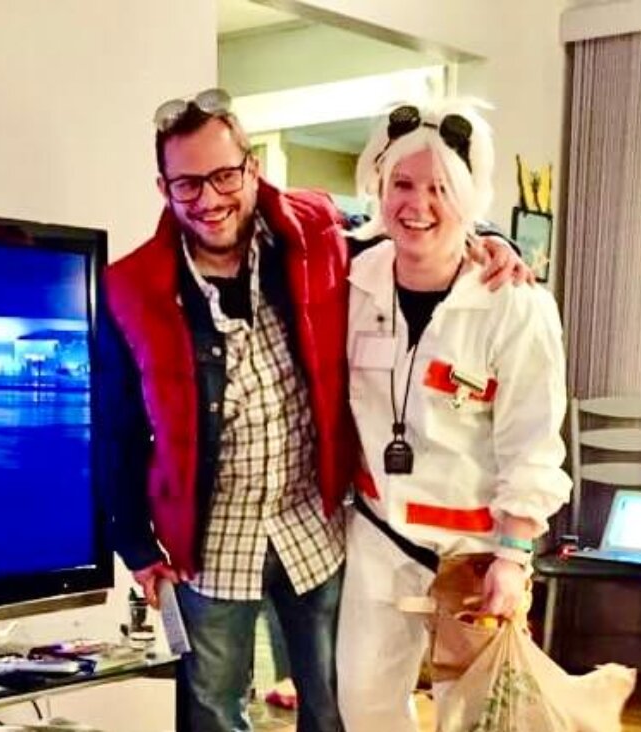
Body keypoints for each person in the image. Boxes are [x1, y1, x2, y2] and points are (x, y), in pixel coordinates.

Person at [100, 88, 530, 732]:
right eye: (188, 184)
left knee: (333, 707)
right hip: (208, 542)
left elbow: (409, 220)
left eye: (223, 175)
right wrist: (135, 544)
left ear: (250, 168)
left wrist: (488, 240)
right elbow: (115, 428)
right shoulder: (130, 288)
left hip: (314, 527)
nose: (210, 199)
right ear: (163, 188)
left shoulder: (314, 235)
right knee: (213, 709)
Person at [336, 99, 572, 732]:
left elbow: (532, 442)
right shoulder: (351, 281)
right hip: (378, 540)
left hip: (475, 554)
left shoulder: (515, 306)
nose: (418, 206)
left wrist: (514, 558)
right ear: (377, 188)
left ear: (469, 196)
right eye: (402, 185)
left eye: (440, 188)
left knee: (477, 721)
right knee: (365, 708)